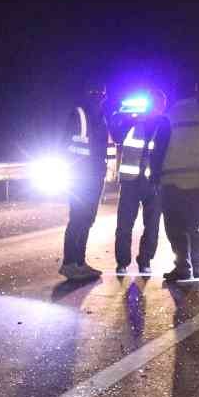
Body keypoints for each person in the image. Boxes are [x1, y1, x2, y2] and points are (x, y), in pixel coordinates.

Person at [149, 82, 199, 282]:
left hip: (175, 180)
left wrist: (154, 176)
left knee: (176, 226)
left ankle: (183, 266)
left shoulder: (170, 116)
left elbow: (159, 150)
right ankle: (198, 266)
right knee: (197, 224)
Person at [112, 89, 168, 276]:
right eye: (155, 104)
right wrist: (120, 115)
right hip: (131, 182)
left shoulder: (166, 125)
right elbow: (116, 135)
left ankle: (145, 261)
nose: (157, 108)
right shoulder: (132, 122)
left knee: (152, 226)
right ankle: (122, 263)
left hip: (154, 182)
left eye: (159, 105)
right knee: (124, 225)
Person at [59, 82, 111, 281]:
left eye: (101, 94)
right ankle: (70, 263)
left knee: (87, 219)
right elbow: (68, 145)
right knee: (78, 219)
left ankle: (79, 262)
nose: (100, 97)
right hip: (81, 176)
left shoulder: (100, 116)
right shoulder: (79, 113)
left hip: (94, 175)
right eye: (97, 93)